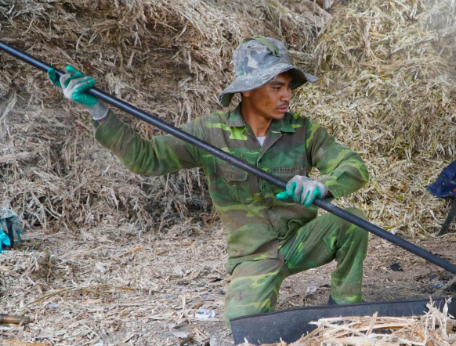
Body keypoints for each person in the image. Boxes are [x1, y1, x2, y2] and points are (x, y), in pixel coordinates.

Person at [49, 37, 369, 328]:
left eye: (288, 86)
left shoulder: (303, 131)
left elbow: (353, 166)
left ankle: (343, 313)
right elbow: (146, 158)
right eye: (276, 86)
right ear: (247, 90)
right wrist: (99, 111)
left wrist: (322, 185)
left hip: (301, 241)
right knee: (245, 328)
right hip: (254, 255)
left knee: (354, 222)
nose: (287, 95)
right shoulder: (209, 133)